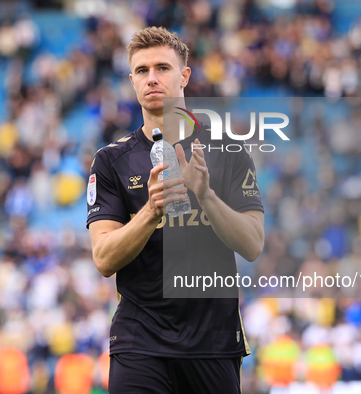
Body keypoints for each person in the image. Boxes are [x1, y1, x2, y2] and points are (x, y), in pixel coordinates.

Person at [86, 26, 264, 393]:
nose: (152, 79)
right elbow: (103, 259)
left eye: (162, 68)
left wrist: (208, 197)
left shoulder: (229, 151)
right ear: (132, 81)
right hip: (140, 342)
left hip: (213, 343)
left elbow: (252, 244)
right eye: (142, 71)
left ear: (184, 76)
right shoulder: (110, 161)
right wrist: (152, 210)